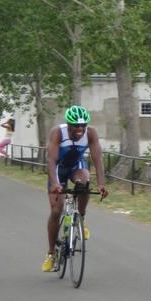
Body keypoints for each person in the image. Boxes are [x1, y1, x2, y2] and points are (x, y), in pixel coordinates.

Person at [42, 105, 109, 272]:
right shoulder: (58, 132)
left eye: (83, 125)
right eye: (76, 126)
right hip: (58, 169)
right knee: (56, 211)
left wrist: (101, 184)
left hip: (76, 166)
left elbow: (97, 159)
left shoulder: (90, 133)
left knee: (84, 182)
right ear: (68, 124)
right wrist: (55, 183)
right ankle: (51, 254)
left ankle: (81, 218)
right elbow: (51, 160)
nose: (80, 129)